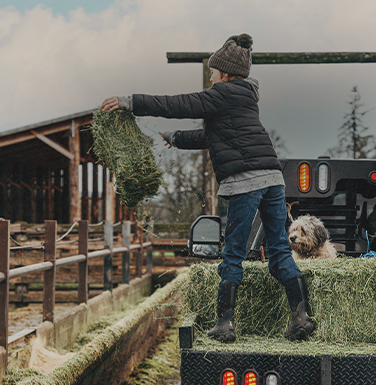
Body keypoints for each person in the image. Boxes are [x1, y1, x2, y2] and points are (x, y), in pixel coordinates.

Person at [100, 34, 315, 343]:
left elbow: (179, 104)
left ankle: (225, 324)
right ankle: (302, 317)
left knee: (233, 254)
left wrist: (130, 102)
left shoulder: (223, 93)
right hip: (273, 179)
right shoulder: (243, 98)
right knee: (280, 250)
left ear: (225, 73)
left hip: (245, 180)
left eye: (214, 71)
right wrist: (174, 137)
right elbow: (210, 137)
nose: (211, 76)